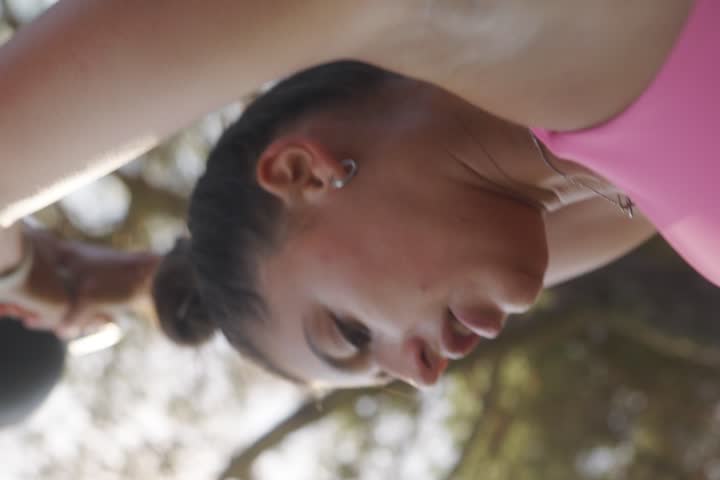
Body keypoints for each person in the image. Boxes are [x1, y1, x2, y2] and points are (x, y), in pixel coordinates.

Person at [0, 0, 713, 389]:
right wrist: (125, 284)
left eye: (350, 333)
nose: (425, 376)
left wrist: (16, 274)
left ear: (303, 174)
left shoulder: (458, 14)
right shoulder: (620, 196)